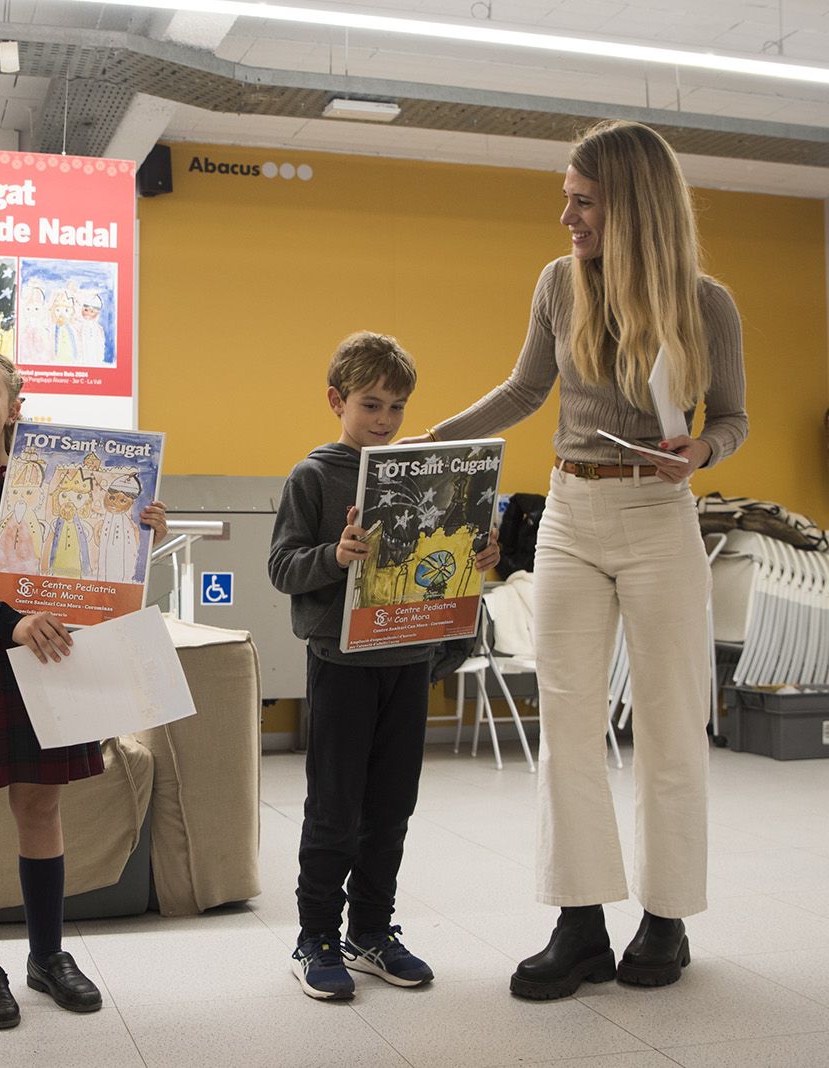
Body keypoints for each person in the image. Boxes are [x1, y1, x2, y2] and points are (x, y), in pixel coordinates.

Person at [410, 120, 746, 999]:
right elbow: (526, 389)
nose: (565, 215)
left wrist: (702, 451)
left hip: (659, 509)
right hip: (569, 510)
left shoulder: (707, 303)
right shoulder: (560, 284)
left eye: (583, 201)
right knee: (565, 724)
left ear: (632, 208)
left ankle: (666, 921)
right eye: (568, 197)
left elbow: (733, 417)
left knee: (672, 726)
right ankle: (581, 921)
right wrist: (429, 443)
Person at [0, 346, 166, 1029]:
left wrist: (138, 532)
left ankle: (47, 959)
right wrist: (13, 624)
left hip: (50, 659)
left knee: (42, 809)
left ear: (14, 407)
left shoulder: (57, 482)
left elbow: (93, 572)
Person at [269, 332, 500, 1001]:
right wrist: (335, 556)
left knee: (392, 807)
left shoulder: (428, 475)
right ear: (337, 400)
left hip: (409, 659)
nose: (386, 420)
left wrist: (477, 558)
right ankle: (314, 936)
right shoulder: (313, 476)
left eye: (397, 407)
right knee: (335, 807)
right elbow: (282, 568)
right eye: (372, 404)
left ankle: (370, 931)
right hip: (342, 663)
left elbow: (447, 559)